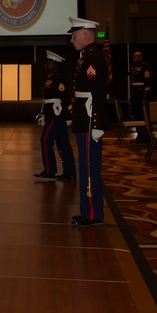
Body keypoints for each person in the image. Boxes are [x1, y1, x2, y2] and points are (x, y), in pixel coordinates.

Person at [68, 18, 111, 227]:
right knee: (85, 167)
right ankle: (88, 211)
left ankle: (93, 214)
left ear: (85, 34)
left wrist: (96, 124)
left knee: (89, 167)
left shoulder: (93, 58)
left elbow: (98, 94)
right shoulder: (85, 57)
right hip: (83, 118)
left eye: (74, 35)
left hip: (88, 120)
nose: (71, 39)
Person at [34, 50, 76, 181]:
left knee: (46, 140)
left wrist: (70, 115)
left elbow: (65, 98)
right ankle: (68, 172)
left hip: (57, 115)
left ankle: (50, 170)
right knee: (62, 143)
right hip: (53, 114)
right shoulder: (50, 79)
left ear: (55, 65)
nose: (46, 65)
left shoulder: (58, 79)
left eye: (48, 63)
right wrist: (44, 114)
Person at [129, 50, 151, 142]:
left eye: (135, 57)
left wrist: (145, 97)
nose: (133, 59)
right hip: (135, 96)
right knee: (136, 116)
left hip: (140, 95)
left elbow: (147, 83)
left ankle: (145, 136)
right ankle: (140, 135)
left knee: (142, 116)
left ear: (141, 58)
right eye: (133, 57)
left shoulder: (144, 67)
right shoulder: (134, 67)